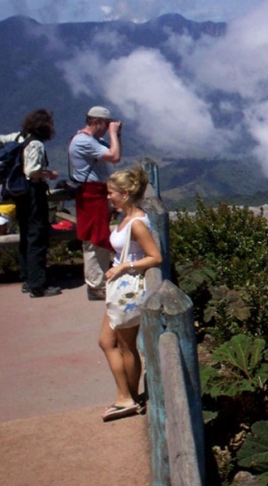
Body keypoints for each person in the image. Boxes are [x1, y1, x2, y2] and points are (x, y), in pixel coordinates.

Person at [98, 164, 161, 422]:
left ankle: (127, 397)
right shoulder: (126, 217)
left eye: (111, 193)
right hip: (120, 290)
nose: (108, 197)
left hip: (127, 292)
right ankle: (127, 395)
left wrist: (125, 265)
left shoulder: (136, 224)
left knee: (124, 345)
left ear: (125, 194)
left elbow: (155, 256)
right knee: (108, 342)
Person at [0, 108, 61, 297]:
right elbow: (32, 171)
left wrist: (7, 161)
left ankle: (27, 278)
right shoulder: (36, 144)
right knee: (37, 237)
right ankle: (38, 285)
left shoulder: (19, 137)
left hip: (19, 193)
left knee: (26, 235)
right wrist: (49, 174)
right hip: (33, 192)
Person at [69, 106, 122, 300]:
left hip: (95, 193)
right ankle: (94, 285)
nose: (108, 128)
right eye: (106, 125)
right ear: (97, 122)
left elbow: (114, 157)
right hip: (90, 194)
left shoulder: (92, 141)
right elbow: (115, 156)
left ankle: (99, 282)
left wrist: (116, 136)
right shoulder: (83, 141)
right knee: (94, 239)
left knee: (99, 238)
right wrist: (113, 134)